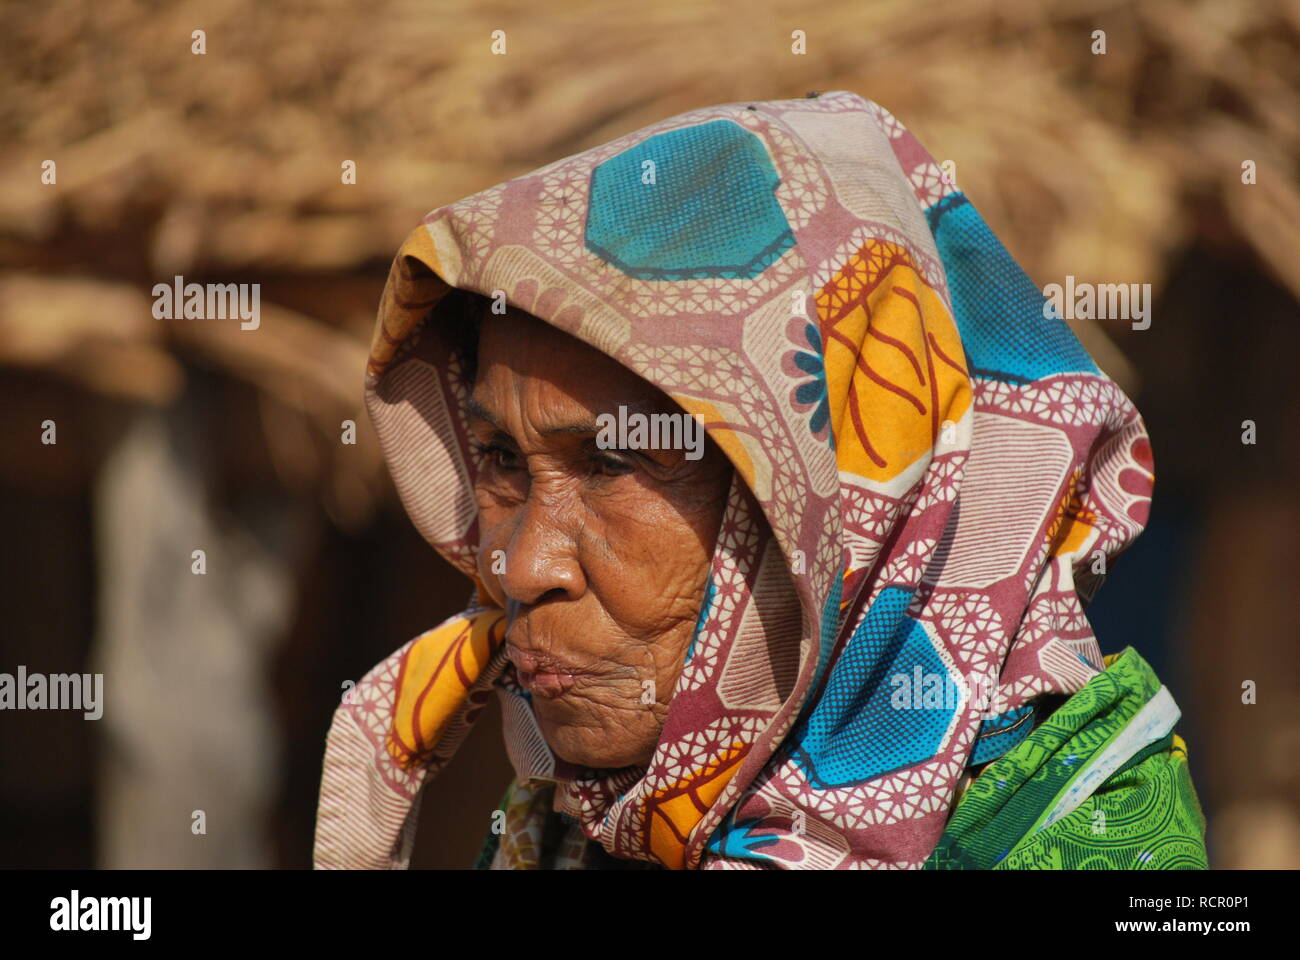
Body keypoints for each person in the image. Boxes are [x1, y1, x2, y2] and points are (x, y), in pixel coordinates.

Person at [314, 91, 1208, 870]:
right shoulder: (589, 819)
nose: (521, 566)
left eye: (611, 464)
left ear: (830, 502)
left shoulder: (1086, 840)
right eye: (503, 461)